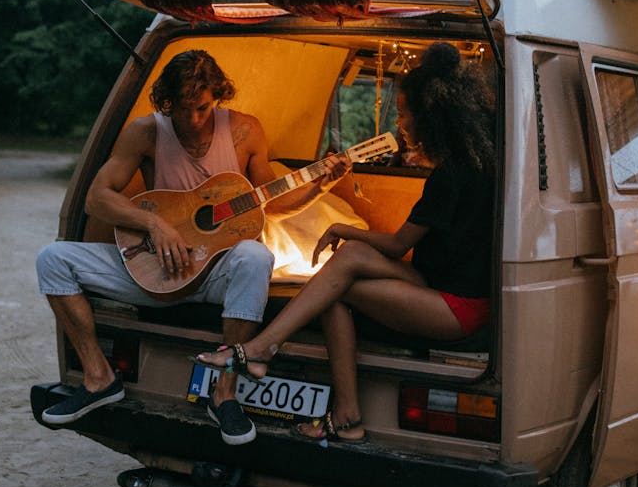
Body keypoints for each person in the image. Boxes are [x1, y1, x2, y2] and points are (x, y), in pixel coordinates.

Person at [37, 49, 345, 445]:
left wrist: (322, 183)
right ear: (166, 102)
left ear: (217, 97)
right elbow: (97, 198)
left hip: (212, 276)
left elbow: (274, 201)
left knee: (255, 256)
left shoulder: (245, 131)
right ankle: (99, 379)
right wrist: (154, 223)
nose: (193, 119)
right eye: (181, 109)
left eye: (201, 108)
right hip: (154, 269)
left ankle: (224, 393)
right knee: (52, 259)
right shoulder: (146, 132)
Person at [195, 42, 495, 445]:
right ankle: (338, 410)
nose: (400, 122)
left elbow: (396, 245)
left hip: (458, 307)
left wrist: (343, 228)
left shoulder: (451, 176)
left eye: (405, 114)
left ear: (432, 117)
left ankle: (265, 349)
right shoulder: (474, 161)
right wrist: (348, 236)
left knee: (345, 274)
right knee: (343, 276)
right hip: (433, 282)